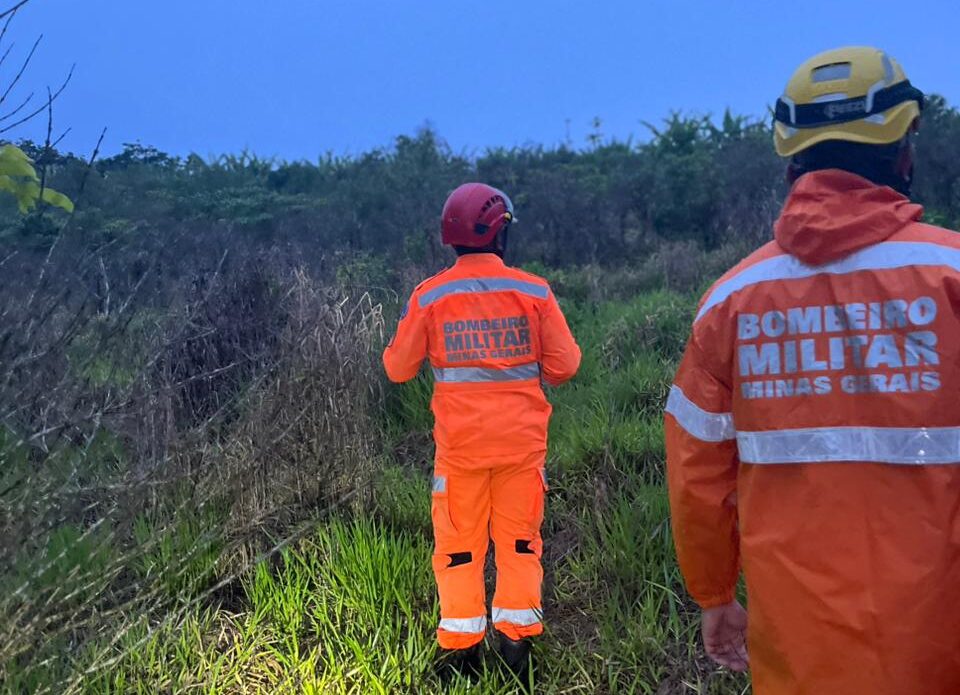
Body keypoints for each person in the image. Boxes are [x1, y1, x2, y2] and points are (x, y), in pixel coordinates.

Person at [665, 46, 960, 694]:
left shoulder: (729, 303)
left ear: (791, 157)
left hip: (798, 661)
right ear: (904, 146)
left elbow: (695, 473)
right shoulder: (950, 278)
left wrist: (715, 594)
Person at [383, 182, 581, 686]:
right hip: (521, 448)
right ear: (500, 234)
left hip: (460, 453)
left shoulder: (429, 296)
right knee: (519, 543)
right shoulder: (534, 292)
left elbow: (398, 370)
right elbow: (566, 366)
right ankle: (517, 648)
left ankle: (462, 653)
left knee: (458, 550)